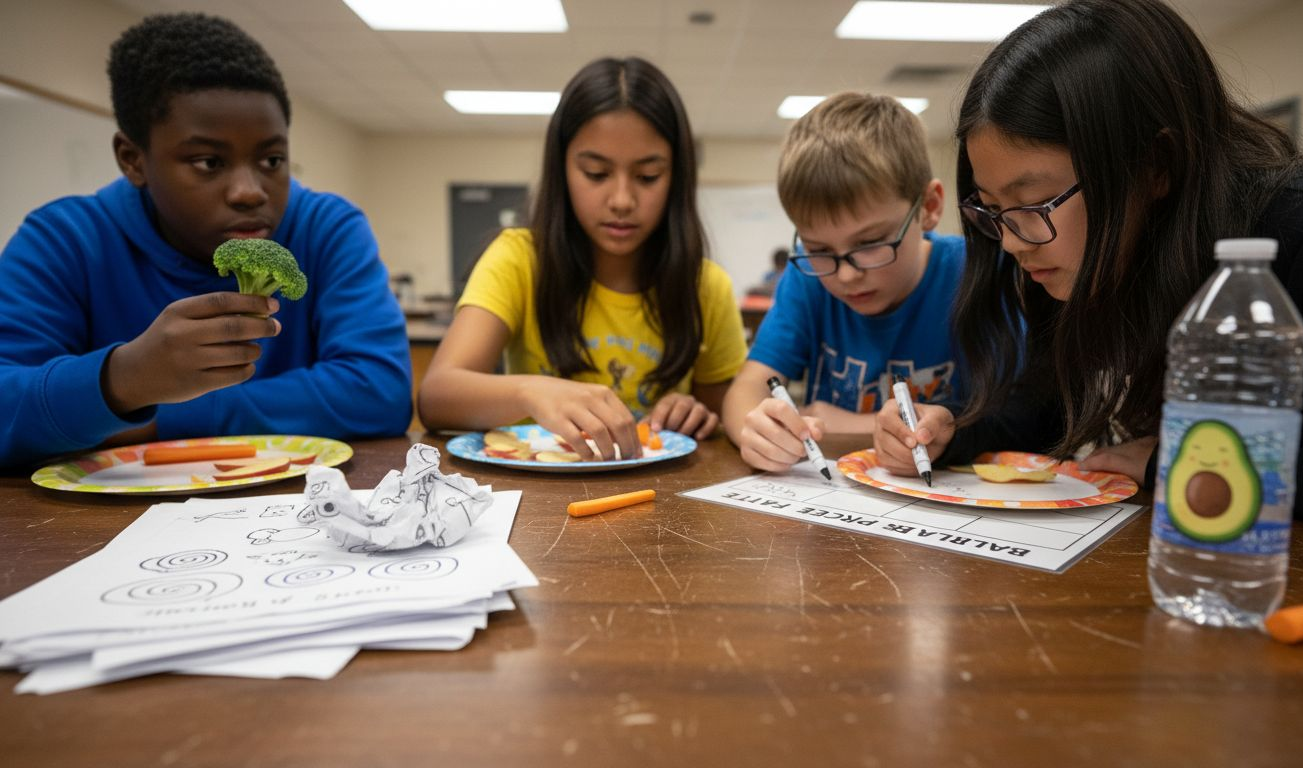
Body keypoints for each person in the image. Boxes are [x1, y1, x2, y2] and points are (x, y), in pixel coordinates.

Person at [873, 0, 1303, 526]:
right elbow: (1046, 408)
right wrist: (951, 430)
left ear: (1155, 166)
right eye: (992, 208)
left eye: (1034, 201)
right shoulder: (1069, 260)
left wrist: (1186, 461)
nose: (1009, 242)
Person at [0, 13, 412, 468]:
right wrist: (123, 380)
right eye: (208, 163)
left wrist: (163, 418)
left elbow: (380, 391)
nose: (249, 191)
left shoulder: (328, 226)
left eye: (272, 159)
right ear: (132, 159)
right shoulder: (64, 240)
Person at [417, 57, 746, 461]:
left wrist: (696, 414)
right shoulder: (519, 258)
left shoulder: (705, 286)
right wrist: (530, 390)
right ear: (562, 169)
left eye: (647, 177)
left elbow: (720, 416)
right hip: (539, 501)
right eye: (595, 173)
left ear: (677, 177)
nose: (622, 201)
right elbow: (436, 397)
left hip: (658, 500)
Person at [722, 92, 966, 473]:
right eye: (818, 248)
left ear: (929, 208)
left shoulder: (969, 274)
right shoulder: (807, 280)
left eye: (870, 243)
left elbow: (1022, 415)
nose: (846, 274)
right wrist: (758, 430)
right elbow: (746, 390)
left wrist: (852, 424)